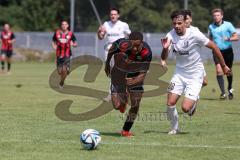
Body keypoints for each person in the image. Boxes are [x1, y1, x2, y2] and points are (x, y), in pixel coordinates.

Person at [160, 10, 231, 135]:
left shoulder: (195, 34)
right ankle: (175, 128)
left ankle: (193, 102)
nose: (176, 26)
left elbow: (214, 46)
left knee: (185, 108)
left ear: (185, 23)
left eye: (179, 23)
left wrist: (224, 66)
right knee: (170, 102)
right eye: (174, 23)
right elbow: (164, 56)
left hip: (195, 75)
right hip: (179, 73)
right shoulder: (170, 35)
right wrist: (165, 48)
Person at [105, 31, 152, 137]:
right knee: (117, 106)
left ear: (141, 42)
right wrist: (107, 63)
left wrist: (133, 82)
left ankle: (125, 130)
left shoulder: (146, 52)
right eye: (132, 45)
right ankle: (123, 100)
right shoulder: (122, 44)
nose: (134, 49)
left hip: (136, 74)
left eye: (137, 46)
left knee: (135, 104)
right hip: (118, 72)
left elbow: (142, 74)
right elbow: (112, 49)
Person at [97, 7, 131, 102]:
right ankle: (113, 94)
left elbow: (130, 36)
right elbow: (100, 37)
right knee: (112, 74)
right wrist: (99, 31)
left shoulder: (123, 25)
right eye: (111, 14)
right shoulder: (106, 24)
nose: (113, 16)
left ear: (118, 15)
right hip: (108, 52)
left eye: (115, 14)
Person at [208, 8, 239, 99]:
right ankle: (223, 93)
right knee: (219, 70)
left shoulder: (228, 25)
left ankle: (229, 87)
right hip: (217, 51)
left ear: (222, 16)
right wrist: (210, 44)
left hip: (228, 51)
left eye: (218, 15)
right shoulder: (211, 26)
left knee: (228, 71)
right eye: (214, 16)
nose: (216, 17)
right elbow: (210, 38)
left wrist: (228, 39)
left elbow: (236, 37)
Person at [184, 9, 208, 86]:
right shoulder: (178, 31)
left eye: (187, 19)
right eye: (183, 19)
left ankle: (192, 90)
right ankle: (191, 92)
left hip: (197, 62)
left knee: (205, 82)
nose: (185, 21)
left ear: (191, 19)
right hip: (185, 63)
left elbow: (203, 42)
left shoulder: (195, 30)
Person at [52, 20, 77, 89]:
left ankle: (62, 82)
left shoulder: (71, 34)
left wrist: (73, 44)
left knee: (64, 69)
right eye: (63, 24)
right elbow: (53, 40)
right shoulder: (57, 33)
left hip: (67, 54)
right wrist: (54, 46)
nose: (64, 25)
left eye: (65, 24)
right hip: (59, 54)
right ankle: (63, 79)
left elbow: (75, 43)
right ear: (61, 25)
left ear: (67, 26)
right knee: (60, 72)